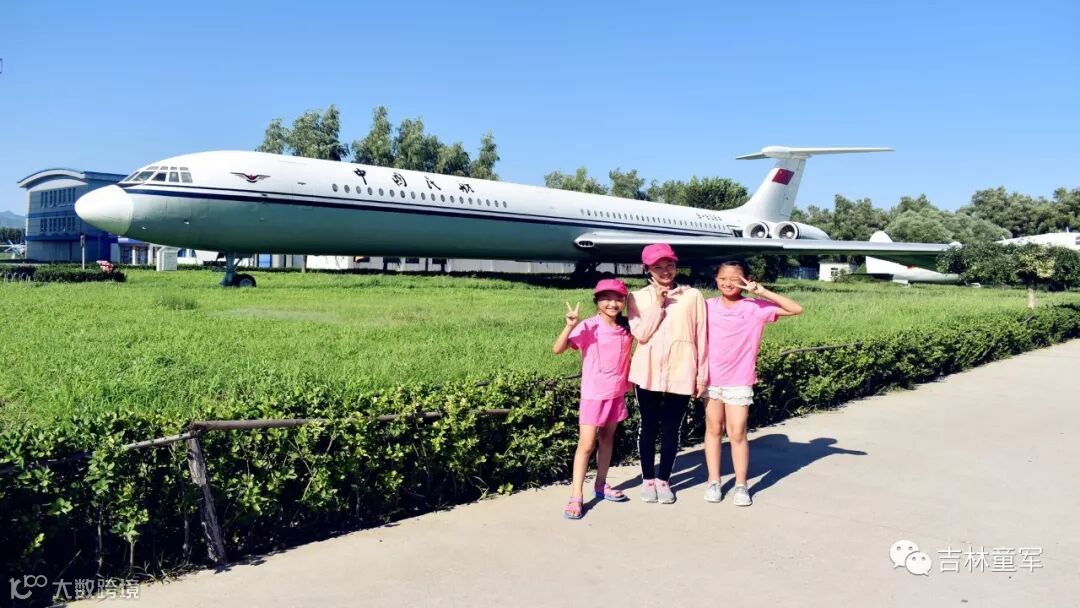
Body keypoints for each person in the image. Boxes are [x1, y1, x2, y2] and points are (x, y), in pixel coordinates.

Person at [703, 260, 803, 506]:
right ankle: (714, 481)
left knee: (737, 431)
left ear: (746, 279)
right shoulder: (706, 306)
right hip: (710, 378)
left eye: (735, 278)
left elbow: (796, 309)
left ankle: (741, 485)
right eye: (723, 278)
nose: (728, 283)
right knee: (714, 429)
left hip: (739, 378)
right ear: (715, 279)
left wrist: (762, 291)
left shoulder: (754, 307)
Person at [627, 244, 707, 504]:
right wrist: (659, 303)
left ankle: (664, 480)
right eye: (657, 267)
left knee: (673, 427)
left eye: (669, 265)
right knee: (648, 425)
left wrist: (701, 375)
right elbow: (641, 334)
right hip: (647, 370)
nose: (665, 271)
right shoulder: (636, 297)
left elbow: (701, 336)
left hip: (682, 368)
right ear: (647, 269)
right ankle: (648, 480)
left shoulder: (692, 295)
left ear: (676, 265)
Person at [553, 278, 633, 519]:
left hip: (616, 392)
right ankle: (575, 496)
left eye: (618, 299)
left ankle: (600, 485)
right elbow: (558, 349)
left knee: (607, 439)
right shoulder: (589, 326)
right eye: (606, 298)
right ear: (597, 301)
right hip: (593, 395)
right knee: (586, 444)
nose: (612, 303)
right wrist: (569, 326)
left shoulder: (627, 327)